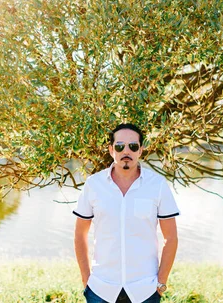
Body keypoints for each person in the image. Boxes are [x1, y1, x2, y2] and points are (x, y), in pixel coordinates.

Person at [73, 123, 180, 303]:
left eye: (133, 146)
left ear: (141, 150)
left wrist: (161, 283)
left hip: (145, 290)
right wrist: (86, 280)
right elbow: (79, 235)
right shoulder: (93, 185)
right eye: (120, 146)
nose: (126, 151)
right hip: (101, 289)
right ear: (111, 150)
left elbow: (171, 238)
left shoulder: (158, 185)